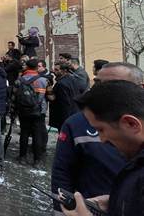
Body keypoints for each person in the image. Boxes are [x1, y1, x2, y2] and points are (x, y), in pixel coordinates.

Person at [52, 63, 138, 215]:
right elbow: (62, 171)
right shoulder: (75, 123)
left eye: (113, 86)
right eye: (98, 84)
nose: (103, 138)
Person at [14, 59, 49, 168]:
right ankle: (37, 160)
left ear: (27, 67)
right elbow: (47, 97)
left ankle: (22, 157)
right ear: (36, 68)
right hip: (38, 111)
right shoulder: (43, 80)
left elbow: (15, 96)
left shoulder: (19, 80)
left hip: (23, 110)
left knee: (24, 133)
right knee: (37, 135)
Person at [48, 62, 81, 132]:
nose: (54, 72)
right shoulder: (73, 79)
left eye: (57, 70)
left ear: (64, 71)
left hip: (65, 118)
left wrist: (49, 91)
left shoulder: (61, 84)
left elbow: (64, 104)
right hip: (74, 114)